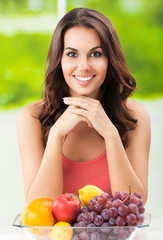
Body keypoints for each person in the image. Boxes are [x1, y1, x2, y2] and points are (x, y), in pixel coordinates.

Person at [17, 8, 151, 205]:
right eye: (72, 54)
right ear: (59, 60)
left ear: (110, 60)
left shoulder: (134, 115)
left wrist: (111, 134)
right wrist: (56, 135)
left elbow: (133, 204)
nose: (84, 66)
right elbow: (40, 209)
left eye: (96, 54)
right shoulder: (33, 118)